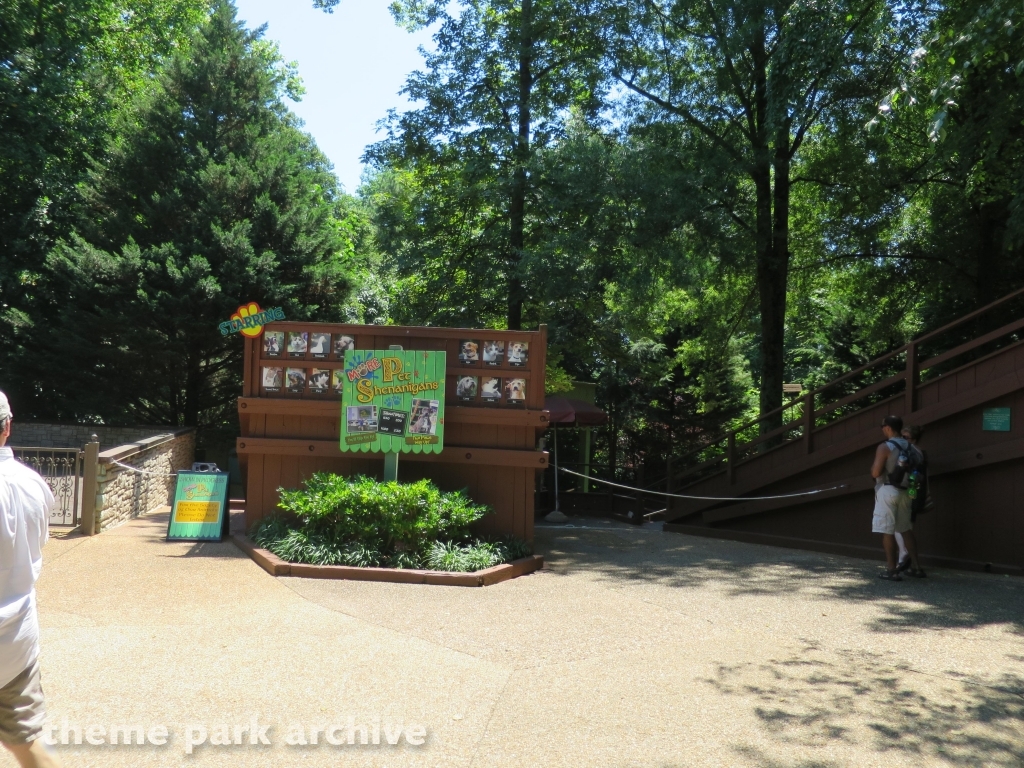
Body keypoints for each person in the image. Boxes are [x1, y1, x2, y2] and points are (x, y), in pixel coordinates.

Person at [0, 391, 62, 768]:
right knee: (28, 741)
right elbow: (38, 544)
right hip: (17, 640)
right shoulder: (33, 483)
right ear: (7, 427)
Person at [870, 415, 925, 581]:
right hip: (906, 492)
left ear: (887, 427)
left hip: (888, 490)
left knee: (887, 530)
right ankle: (916, 567)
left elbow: (876, 472)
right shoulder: (913, 447)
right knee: (906, 529)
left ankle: (891, 569)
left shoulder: (885, 447)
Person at [894, 424, 928, 572]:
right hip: (914, 490)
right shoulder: (920, 452)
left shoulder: (911, 452)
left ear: (913, 439)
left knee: (901, 525)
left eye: (905, 437)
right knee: (907, 526)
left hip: (910, 490)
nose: (902, 439)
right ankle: (914, 564)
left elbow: (912, 474)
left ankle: (904, 554)